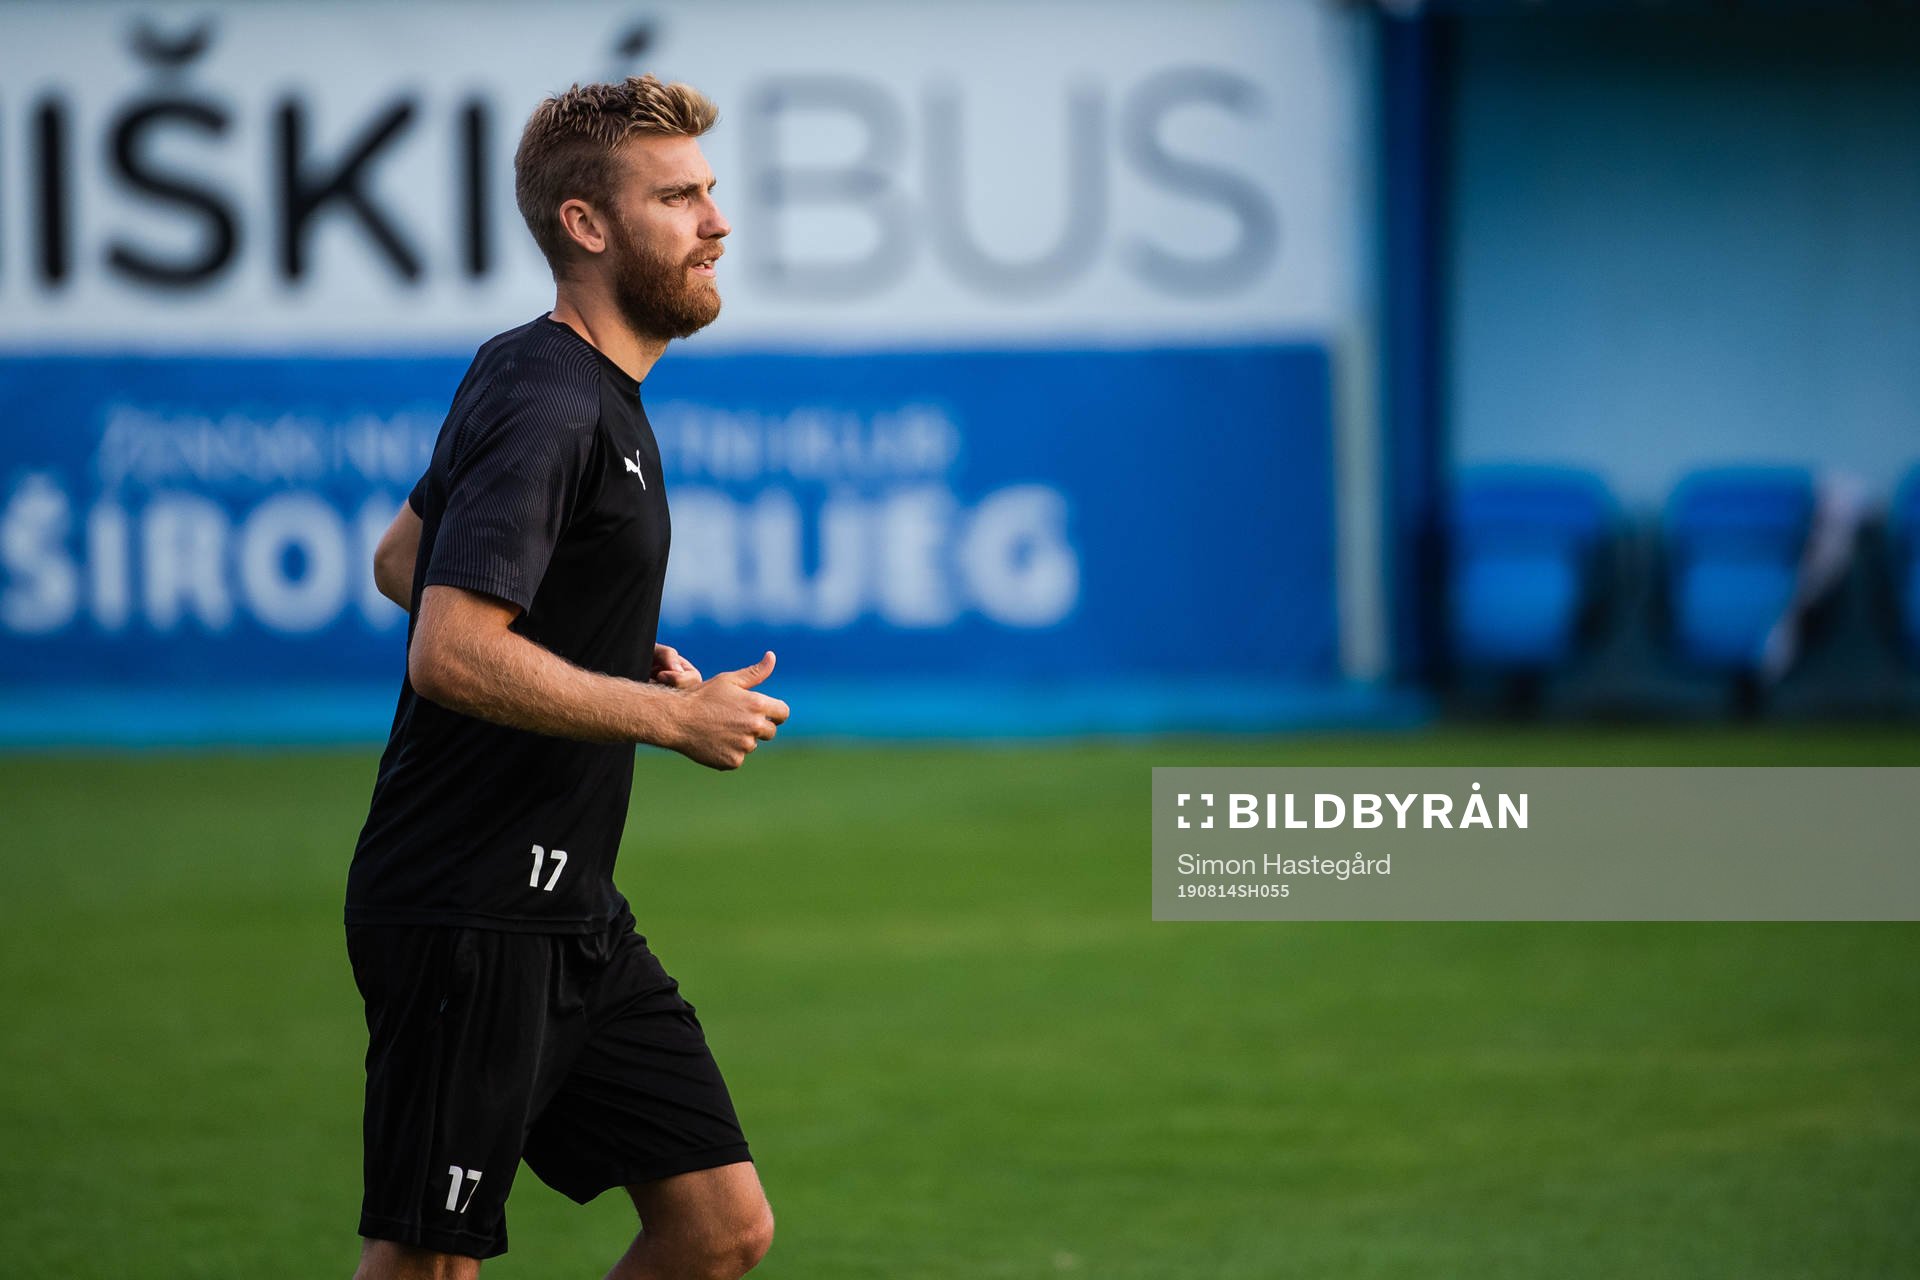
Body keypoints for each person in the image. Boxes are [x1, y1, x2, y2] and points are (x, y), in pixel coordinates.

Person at [345, 75, 786, 1280]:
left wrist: (582, 655)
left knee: (718, 1225)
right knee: (426, 1259)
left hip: (567, 905)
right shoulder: (551, 397)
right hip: (469, 906)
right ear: (586, 225)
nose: (717, 220)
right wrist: (664, 712)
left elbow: (400, 559)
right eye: (679, 196)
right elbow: (447, 649)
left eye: (712, 190)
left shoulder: (569, 380)